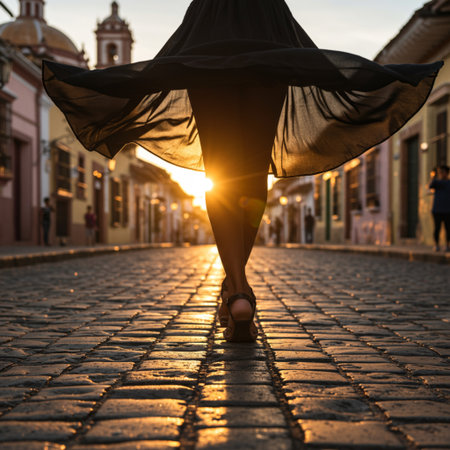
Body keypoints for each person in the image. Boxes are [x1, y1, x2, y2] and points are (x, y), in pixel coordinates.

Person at [42, 0, 442, 342]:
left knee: (220, 169)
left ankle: (235, 287)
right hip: (267, 30)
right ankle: (239, 289)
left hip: (209, 34)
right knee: (251, 171)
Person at [429, 165, 450, 252]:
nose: (441, 174)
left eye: (442, 172)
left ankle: (447, 245)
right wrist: (433, 176)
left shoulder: (449, 183)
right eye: (440, 172)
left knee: (448, 228)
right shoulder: (436, 182)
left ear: (447, 173)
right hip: (437, 210)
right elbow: (431, 186)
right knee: (437, 228)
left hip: (448, 210)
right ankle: (436, 244)